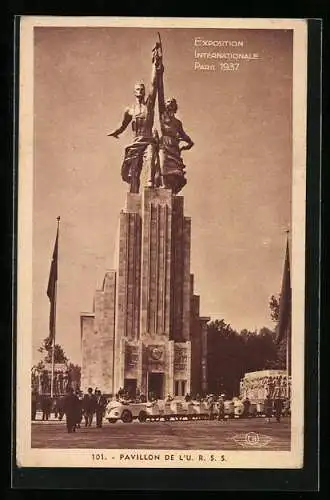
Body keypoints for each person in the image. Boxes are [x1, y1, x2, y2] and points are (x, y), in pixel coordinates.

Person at [108, 43, 163, 194]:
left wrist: (154, 64)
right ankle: (133, 191)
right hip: (135, 142)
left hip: (148, 140)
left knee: (151, 155)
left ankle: (151, 183)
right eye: (138, 89)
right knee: (134, 170)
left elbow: (153, 84)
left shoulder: (149, 105)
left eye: (142, 89)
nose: (141, 91)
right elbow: (122, 125)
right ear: (134, 92)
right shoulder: (130, 110)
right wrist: (115, 132)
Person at [156, 60, 194, 195]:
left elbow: (186, 138)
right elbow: (160, 93)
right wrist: (159, 73)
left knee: (175, 173)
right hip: (164, 144)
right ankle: (163, 186)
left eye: (171, 102)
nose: (169, 103)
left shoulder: (177, 123)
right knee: (162, 165)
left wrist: (187, 145)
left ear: (175, 106)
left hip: (174, 147)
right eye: (167, 102)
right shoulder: (162, 116)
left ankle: (169, 190)